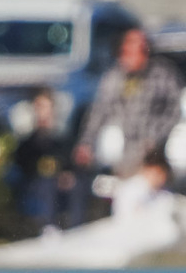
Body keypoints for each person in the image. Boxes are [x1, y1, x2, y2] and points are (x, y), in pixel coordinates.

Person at [75, 28, 182, 188]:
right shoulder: (114, 78)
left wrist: (156, 136)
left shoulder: (162, 74)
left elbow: (175, 109)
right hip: (125, 151)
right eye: (127, 50)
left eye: (139, 49)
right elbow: (98, 112)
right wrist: (86, 143)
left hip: (154, 152)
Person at [8, 88, 77, 233]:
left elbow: (70, 162)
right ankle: (48, 227)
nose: (43, 112)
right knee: (47, 183)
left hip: (60, 185)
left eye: (46, 107)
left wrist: (67, 175)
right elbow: (21, 165)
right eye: (39, 107)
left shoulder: (62, 140)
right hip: (35, 185)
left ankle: (77, 228)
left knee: (77, 184)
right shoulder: (28, 141)